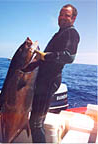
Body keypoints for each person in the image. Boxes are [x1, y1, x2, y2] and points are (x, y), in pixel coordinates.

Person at [28, 4, 80, 143]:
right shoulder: (60, 33)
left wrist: (44, 56)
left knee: (36, 123)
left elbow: (69, 57)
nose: (62, 17)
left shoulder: (71, 32)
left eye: (67, 15)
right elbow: (44, 59)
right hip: (42, 81)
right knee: (35, 121)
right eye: (61, 14)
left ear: (73, 18)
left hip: (48, 82)